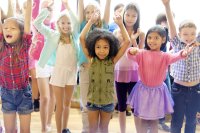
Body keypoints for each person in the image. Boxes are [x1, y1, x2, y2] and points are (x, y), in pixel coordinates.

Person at [126, 25, 193, 133]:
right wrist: (131, 51)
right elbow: (130, 55)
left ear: (163, 40)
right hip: (143, 91)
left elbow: (176, 56)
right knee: (142, 119)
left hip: (157, 92)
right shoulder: (142, 53)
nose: (152, 40)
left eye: (156, 38)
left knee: (154, 121)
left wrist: (183, 53)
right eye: (150, 37)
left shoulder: (165, 56)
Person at [79, 10, 130, 133]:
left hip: (108, 103)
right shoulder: (92, 59)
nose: (101, 51)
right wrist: (90, 22)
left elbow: (127, 42)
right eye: (98, 47)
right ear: (93, 47)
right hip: (92, 102)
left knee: (104, 129)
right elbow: (81, 38)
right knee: (92, 129)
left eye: (105, 47)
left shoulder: (112, 61)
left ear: (110, 47)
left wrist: (121, 24)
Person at [34, 0, 80, 132]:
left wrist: (67, 6)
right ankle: (59, 130)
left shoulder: (75, 37)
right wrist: (46, 10)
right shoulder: (53, 35)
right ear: (58, 24)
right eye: (63, 23)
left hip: (71, 73)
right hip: (58, 74)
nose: (66, 25)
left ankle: (65, 129)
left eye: (68, 23)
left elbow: (77, 22)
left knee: (67, 104)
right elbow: (37, 23)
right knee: (59, 105)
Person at [162, 0, 200, 132]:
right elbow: (172, 25)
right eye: (185, 34)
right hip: (178, 89)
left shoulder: (198, 44)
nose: (189, 37)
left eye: (192, 34)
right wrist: (167, 5)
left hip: (195, 90)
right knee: (177, 120)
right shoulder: (177, 43)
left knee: (191, 120)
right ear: (179, 35)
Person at [78, 0, 111, 132]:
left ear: (99, 13)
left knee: (99, 104)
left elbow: (107, 10)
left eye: (93, 11)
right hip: (85, 68)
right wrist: (89, 20)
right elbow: (82, 36)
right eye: (87, 12)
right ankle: (86, 130)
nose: (90, 14)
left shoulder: (103, 26)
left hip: (100, 70)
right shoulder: (83, 25)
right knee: (86, 104)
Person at [0, 0, 33, 133]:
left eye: (13, 28)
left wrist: (29, 3)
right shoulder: (2, 45)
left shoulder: (24, 45)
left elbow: (27, 21)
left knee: (25, 131)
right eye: (6, 28)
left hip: (23, 93)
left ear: (20, 33)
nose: (8, 30)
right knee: (10, 131)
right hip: (6, 93)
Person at [113, 2, 145, 133]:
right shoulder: (116, 32)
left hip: (134, 73)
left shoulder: (141, 33)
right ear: (123, 14)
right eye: (128, 14)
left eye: (133, 16)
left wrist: (133, 40)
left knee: (136, 107)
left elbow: (140, 54)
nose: (130, 18)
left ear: (138, 17)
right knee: (121, 106)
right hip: (120, 72)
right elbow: (116, 54)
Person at [155, 12, 171, 132]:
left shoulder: (169, 37)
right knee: (155, 99)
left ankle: (161, 121)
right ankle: (154, 123)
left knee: (166, 97)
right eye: (164, 21)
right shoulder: (156, 36)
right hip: (155, 75)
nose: (167, 24)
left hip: (165, 73)